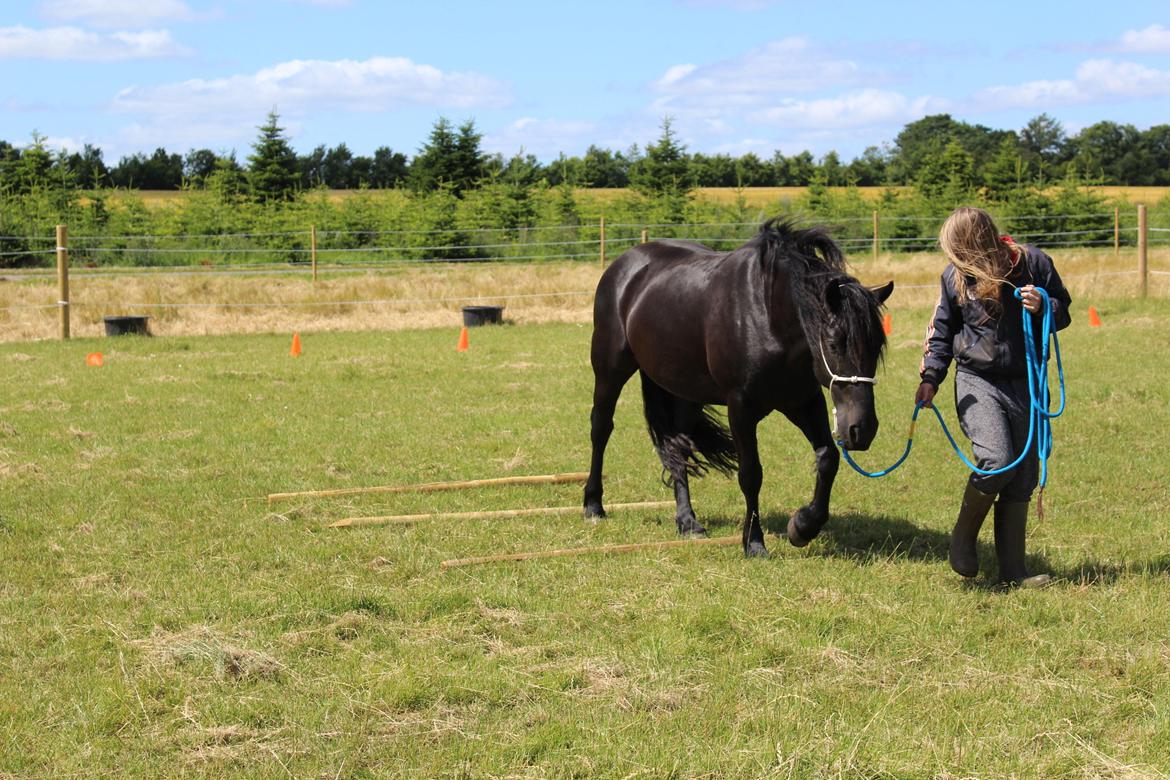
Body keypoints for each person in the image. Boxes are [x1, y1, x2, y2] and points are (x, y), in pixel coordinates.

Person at [916, 207, 1071, 587]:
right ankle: (962, 540)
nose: (952, 258)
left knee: (1022, 477)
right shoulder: (954, 277)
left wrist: (1044, 307)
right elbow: (942, 330)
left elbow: (1063, 311)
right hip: (977, 380)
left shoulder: (1033, 263)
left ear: (974, 243)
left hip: (1028, 382)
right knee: (997, 460)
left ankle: (1014, 574)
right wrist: (931, 377)